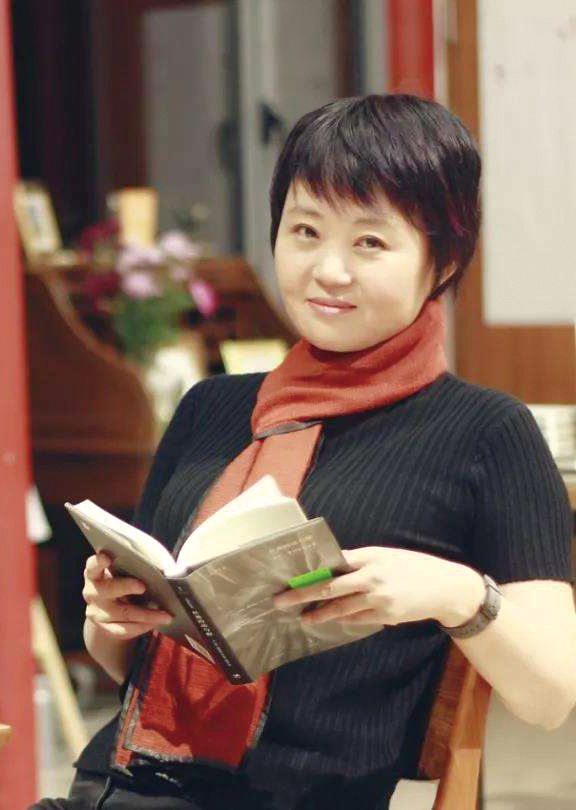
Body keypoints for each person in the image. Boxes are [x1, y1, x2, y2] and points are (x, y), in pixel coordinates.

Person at [32, 94, 575, 810]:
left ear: (443, 259)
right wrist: (112, 617)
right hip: (115, 786)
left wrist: (456, 594)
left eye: (369, 243)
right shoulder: (210, 408)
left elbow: (551, 695)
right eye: (306, 231)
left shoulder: (486, 432)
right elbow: (129, 663)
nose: (328, 270)